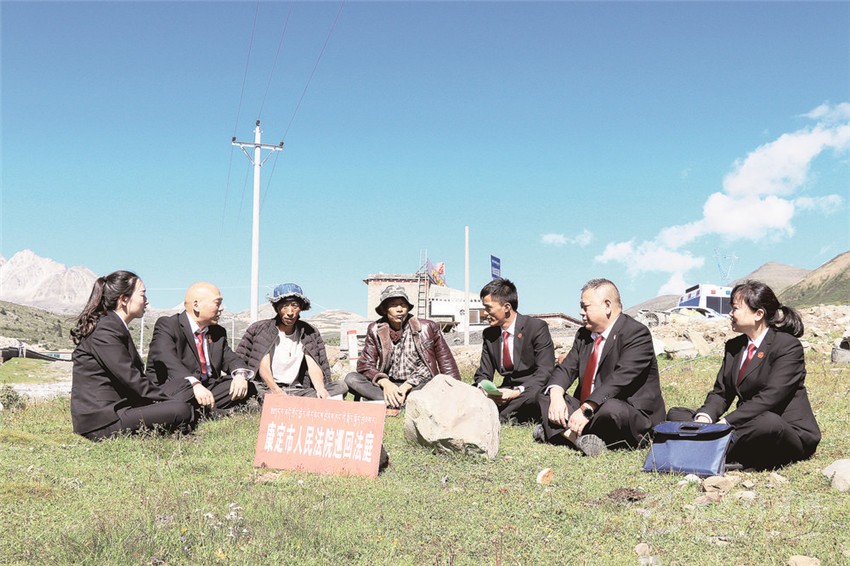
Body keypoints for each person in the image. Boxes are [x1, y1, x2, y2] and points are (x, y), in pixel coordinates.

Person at [667, 280, 820, 470]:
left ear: (758, 314)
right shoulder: (734, 347)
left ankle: (705, 447)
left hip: (783, 430)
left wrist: (726, 422)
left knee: (768, 423)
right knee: (676, 414)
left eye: (735, 308)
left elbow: (771, 397)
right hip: (745, 425)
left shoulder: (787, 346)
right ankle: (713, 444)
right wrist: (705, 418)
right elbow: (722, 393)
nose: (730, 314)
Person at [537, 278, 665, 456]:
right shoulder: (583, 335)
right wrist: (557, 395)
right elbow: (566, 368)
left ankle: (558, 431)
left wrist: (586, 409)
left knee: (612, 409)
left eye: (585, 307)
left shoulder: (636, 333)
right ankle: (578, 438)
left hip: (626, 411)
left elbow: (620, 379)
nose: (581, 312)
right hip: (589, 408)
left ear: (607, 306)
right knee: (547, 394)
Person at [70, 271, 193, 441]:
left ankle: (178, 415)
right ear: (124, 299)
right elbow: (131, 378)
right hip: (104, 419)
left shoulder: (114, 325)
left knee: (185, 385)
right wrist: (167, 401)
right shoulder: (105, 330)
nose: (146, 300)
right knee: (181, 409)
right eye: (142, 295)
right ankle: (184, 420)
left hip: (124, 403)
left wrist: (165, 399)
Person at [146, 282, 256, 416]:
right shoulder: (168, 325)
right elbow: (167, 359)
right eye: (217, 303)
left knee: (245, 386)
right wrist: (194, 384)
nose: (221, 309)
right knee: (185, 396)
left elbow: (231, 358)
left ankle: (202, 411)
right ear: (196, 305)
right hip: (177, 389)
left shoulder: (217, 332)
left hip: (207, 389)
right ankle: (208, 411)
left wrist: (240, 375)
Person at [344, 285, 460, 411]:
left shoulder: (427, 327)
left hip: (418, 384)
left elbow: (445, 360)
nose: (399, 309)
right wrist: (385, 383)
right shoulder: (375, 329)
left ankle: (389, 402)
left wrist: (455, 390)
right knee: (352, 378)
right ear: (385, 309)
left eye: (403, 305)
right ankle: (400, 402)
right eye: (394, 305)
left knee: (437, 386)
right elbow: (365, 364)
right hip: (388, 386)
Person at [236, 283, 347, 400]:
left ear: (301, 307)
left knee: (341, 386)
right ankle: (293, 402)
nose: (290, 312)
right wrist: (277, 391)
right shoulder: (262, 329)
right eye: (284, 306)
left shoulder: (309, 332)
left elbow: (313, 365)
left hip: (297, 389)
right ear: (277, 308)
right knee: (253, 389)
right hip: (267, 388)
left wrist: (320, 389)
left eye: (294, 305)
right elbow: (264, 368)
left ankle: (295, 402)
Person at [473, 278, 554, 423]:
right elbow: (483, 373)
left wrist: (515, 392)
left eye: (488, 308)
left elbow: (545, 371)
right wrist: (485, 389)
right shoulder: (489, 335)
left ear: (506, 307)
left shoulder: (536, 328)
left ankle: (500, 416)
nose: (485, 313)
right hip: (505, 390)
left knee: (537, 397)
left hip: (531, 388)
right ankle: (507, 414)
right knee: (471, 393)